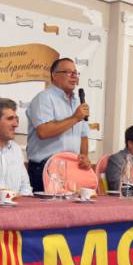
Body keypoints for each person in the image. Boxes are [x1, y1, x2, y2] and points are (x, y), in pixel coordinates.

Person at [26, 57, 91, 192]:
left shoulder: (78, 102)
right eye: (68, 72)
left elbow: (83, 135)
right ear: (54, 75)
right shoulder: (44, 98)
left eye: (75, 73)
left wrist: (84, 156)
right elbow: (44, 131)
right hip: (45, 168)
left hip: (72, 169)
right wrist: (75, 118)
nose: (74, 76)